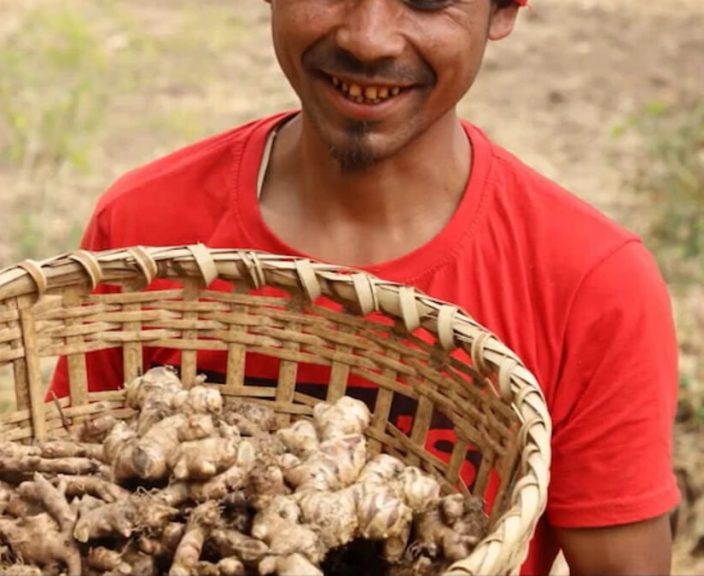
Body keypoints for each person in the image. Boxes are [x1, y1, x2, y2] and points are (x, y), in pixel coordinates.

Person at [51, 0, 681, 573]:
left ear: (505, 7)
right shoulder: (146, 235)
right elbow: (61, 489)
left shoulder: (591, 284)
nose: (370, 38)